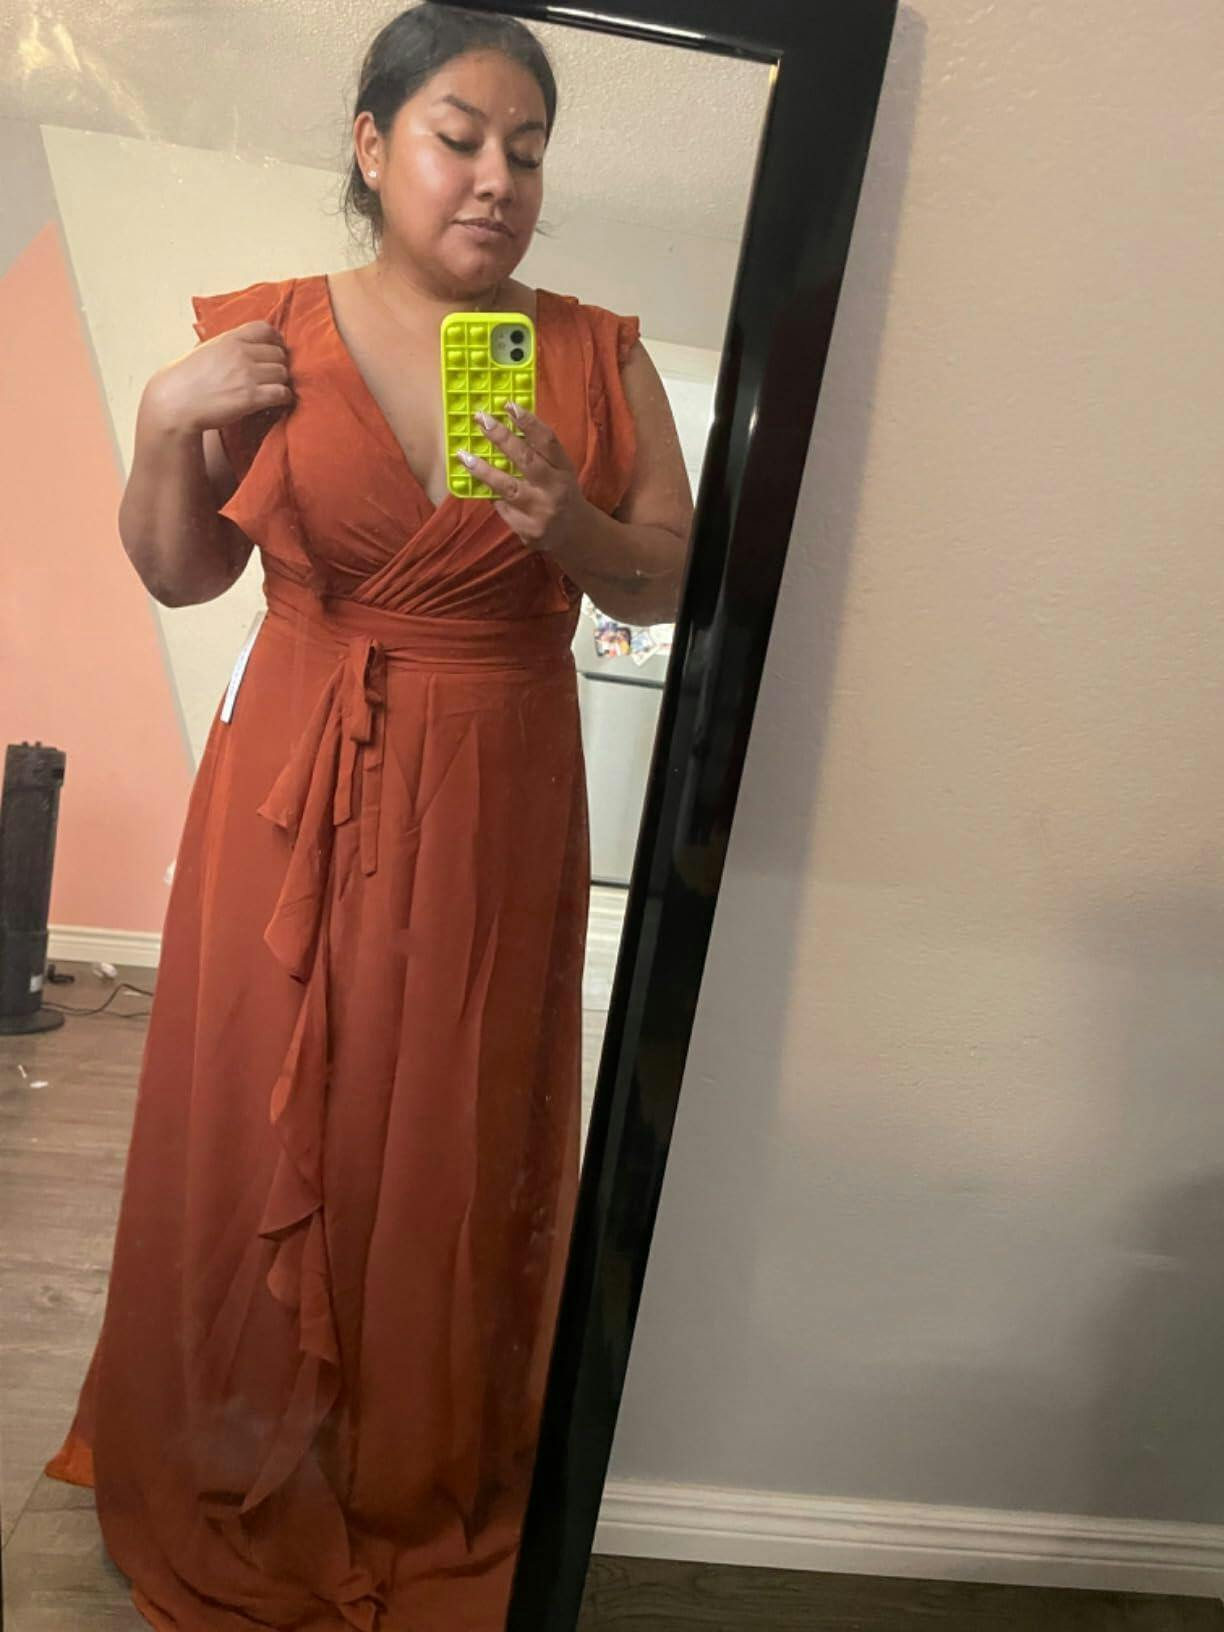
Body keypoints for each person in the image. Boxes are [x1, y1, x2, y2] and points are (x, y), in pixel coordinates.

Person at [44, 6, 693, 1628]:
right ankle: (236, 1438)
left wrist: (573, 524)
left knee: (454, 1112)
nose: (496, 180)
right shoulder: (267, 338)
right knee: (261, 1103)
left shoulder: (596, 353)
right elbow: (182, 571)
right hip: (296, 767)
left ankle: (407, 1462)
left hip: (497, 775)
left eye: (527, 152)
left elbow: (669, 581)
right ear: (371, 144)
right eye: (459, 139)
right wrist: (164, 418)